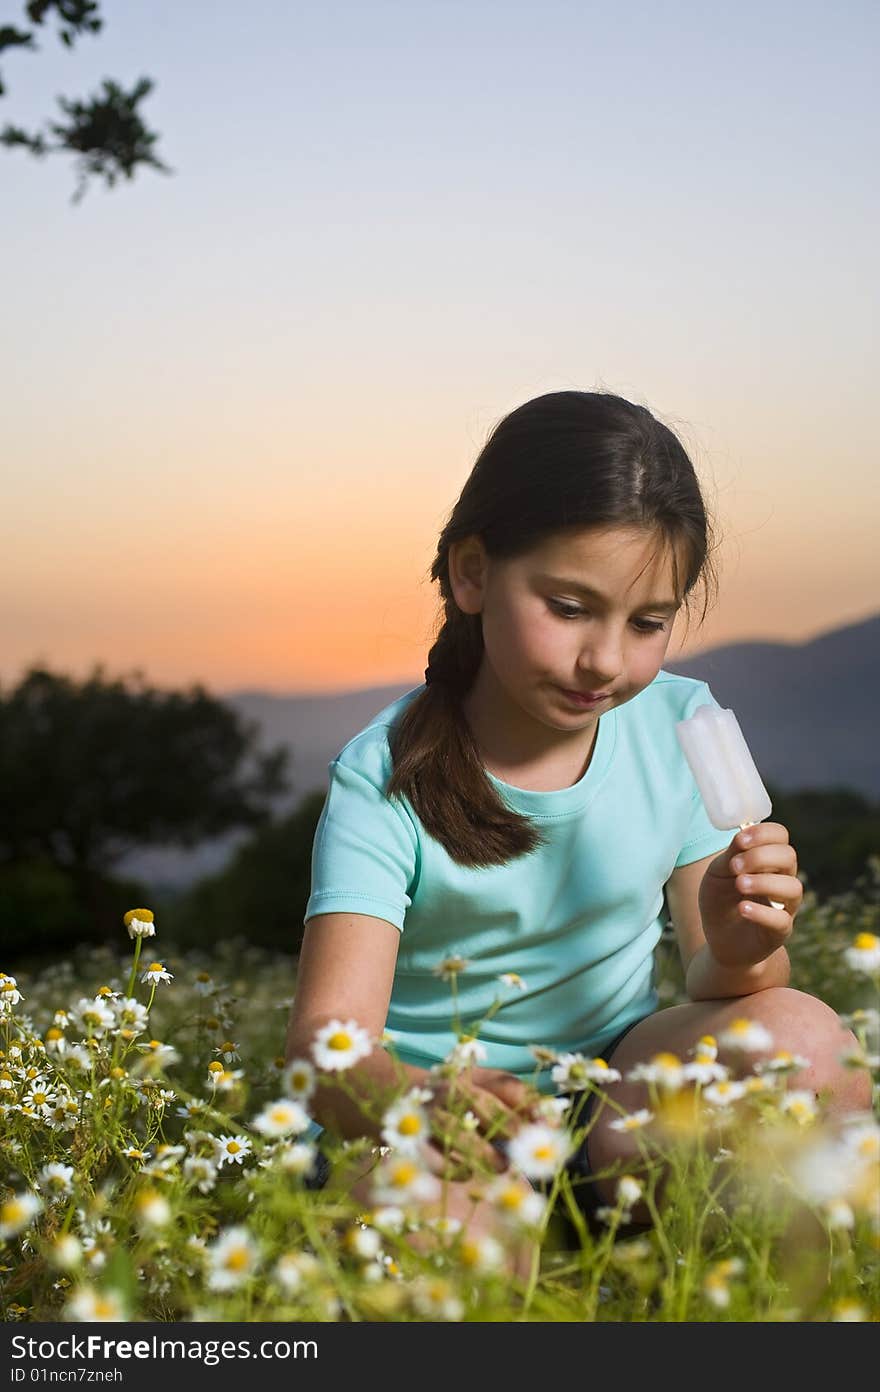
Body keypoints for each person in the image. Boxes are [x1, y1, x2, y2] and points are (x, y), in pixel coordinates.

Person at [284, 389, 870, 1274]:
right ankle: (511, 1250)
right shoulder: (386, 774)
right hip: (441, 1126)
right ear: (472, 573)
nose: (604, 661)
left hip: (616, 1112)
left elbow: (727, 979)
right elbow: (328, 1049)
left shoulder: (685, 724)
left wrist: (747, 942)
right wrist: (428, 1102)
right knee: (451, 1253)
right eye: (568, 608)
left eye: (647, 624)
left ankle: (790, 1312)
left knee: (805, 1040)